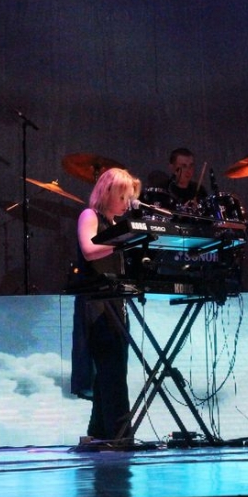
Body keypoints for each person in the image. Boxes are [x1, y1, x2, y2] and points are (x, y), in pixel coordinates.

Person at [70, 167, 142, 444]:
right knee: (111, 367)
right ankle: (120, 434)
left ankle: (100, 431)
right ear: (107, 193)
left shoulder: (114, 225)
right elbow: (89, 251)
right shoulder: (90, 216)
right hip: (96, 304)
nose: (126, 203)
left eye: (129, 198)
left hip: (115, 302)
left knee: (112, 368)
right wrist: (123, 242)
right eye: (122, 197)